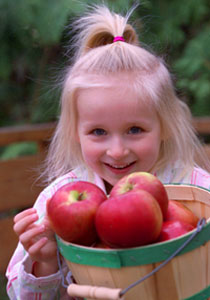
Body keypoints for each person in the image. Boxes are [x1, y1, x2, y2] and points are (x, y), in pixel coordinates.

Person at [6, 4, 210, 299]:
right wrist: (47, 261)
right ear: (76, 134)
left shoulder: (195, 188)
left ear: (165, 125)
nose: (117, 151)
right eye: (98, 132)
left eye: (135, 130)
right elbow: (21, 296)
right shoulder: (55, 204)